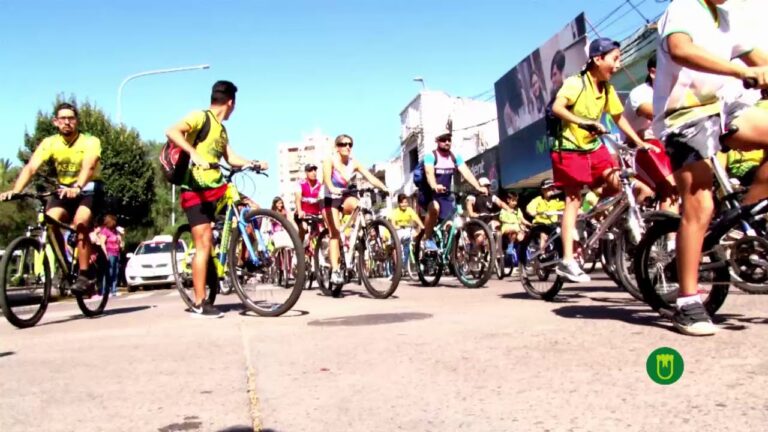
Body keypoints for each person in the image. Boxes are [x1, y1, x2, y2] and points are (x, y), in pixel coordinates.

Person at [651, 0, 768, 335]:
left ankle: (743, 222)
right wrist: (739, 71)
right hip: (684, 116)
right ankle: (687, 303)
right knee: (700, 203)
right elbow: (680, 49)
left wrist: (756, 69)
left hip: (724, 110)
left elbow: (759, 60)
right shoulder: (684, 7)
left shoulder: (727, 18)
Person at [550, 37, 655, 284]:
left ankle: (604, 226)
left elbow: (619, 119)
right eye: (615, 59)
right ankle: (567, 260)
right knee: (572, 200)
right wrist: (582, 122)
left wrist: (640, 143)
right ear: (598, 59)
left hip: (594, 148)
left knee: (634, 189)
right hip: (569, 149)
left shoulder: (607, 89)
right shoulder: (576, 83)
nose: (618, 65)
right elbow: (557, 107)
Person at [165, 80, 267, 318]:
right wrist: (194, 154)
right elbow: (172, 131)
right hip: (194, 190)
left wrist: (253, 162)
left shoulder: (221, 130)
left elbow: (230, 157)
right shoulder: (200, 117)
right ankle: (200, 303)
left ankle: (246, 258)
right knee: (203, 242)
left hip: (216, 188)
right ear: (231, 102)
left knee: (248, 209)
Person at [0, 102, 103, 295]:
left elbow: (88, 167)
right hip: (63, 190)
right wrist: (16, 190)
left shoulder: (90, 141)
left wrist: (78, 187)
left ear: (77, 121)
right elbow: (31, 167)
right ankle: (64, 265)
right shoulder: (50, 143)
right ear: (55, 122)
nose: (67, 122)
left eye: (71, 118)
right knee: (50, 220)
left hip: (89, 189)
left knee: (80, 222)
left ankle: (84, 274)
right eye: (62, 119)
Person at [322, 134, 390, 287]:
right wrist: (332, 188)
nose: (347, 147)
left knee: (359, 205)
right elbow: (326, 178)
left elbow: (370, 177)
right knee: (335, 233)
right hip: (330, 198)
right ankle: (335, 270)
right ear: (336, 147)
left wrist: (384, 187)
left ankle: (357, 236)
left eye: (350, 144)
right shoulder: (330, 160)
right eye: (343, 144)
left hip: (345, 196)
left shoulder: (354, 163)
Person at [623, 55, 678, 212]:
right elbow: (651, 112)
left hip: (665, 145)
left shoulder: (674, 92)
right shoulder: (640, 92)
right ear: (653, 72)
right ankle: (669, 236)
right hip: (638, 148)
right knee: (670, 188)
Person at [418, 131, 487, 252]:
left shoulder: (454, 157)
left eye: (449, 139)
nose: (447, 142)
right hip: (428, 193)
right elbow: (429, 173)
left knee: (452, 225)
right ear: (437, 141)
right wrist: (434, 185)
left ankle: (449, 255)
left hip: (444, 195)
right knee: (434, 207)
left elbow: (466, 172)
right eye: (443, 139)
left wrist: (478, 186)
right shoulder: (431, 156)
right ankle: (427, 239)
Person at [465, 177, 514, 245]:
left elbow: (500, 203)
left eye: (488, 186)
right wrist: (471, 213)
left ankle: (495, 251)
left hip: (488, 219)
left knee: (497, 229)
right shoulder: (473, 196)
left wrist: (508, 209)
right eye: (485, 186)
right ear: (479, 187)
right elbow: (469, 204)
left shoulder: (491, 196)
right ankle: (477, 251)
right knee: (480, 237)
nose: (487, 188)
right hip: (477, 221)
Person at [389, 194, 424, 267]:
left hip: (407, 230)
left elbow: (417, 219)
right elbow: (393, 225)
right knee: (396, 247)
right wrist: (400, 226)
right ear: (399, 203)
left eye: (406, 202)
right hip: (398, 231)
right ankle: (397, 264)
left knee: (416, 240)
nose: (404, 204)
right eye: (402, 203)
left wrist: (422, 227)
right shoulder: (395, 212)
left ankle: (416, 257)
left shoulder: (410, 210)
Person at [293, 163, 323, 242]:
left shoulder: (320, 185)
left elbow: (322, 199)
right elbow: (298, 197)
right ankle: (299, 247)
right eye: (310, 170)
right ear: (306, 172)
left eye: (315, 170)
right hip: (303, 215)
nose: (314, 172)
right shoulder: (300, 183)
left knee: (322, 231)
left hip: (316, 215)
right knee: (304, 227)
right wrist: (299, 211)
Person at [96, 214, 123, 297]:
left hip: (116, 253)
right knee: (109, 272)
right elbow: (102, 243)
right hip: (109, 253)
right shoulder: (105, 231)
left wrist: (120, 238)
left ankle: (114, 290)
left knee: (115, 272)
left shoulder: (115, 231)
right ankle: (105, 290)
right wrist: (105, 254)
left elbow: (119, 241)